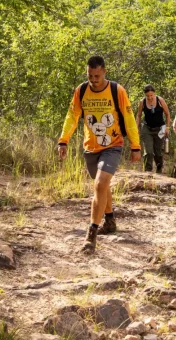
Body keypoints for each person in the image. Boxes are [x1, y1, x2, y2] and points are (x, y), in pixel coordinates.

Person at [58, 55, 142, 253]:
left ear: (104, 71)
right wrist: (64, 140)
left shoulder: (116, 91)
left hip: (113, 144)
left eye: (96, 75)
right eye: (90, 75)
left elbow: (129, 118)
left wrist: (136, 145)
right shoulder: (81, 91)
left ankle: (91, 234)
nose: (93, 80)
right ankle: (110, 220)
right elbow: (72, 116)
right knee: (102, 187)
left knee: (100, 183)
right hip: (90, 146)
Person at [135, 85, 171, 173]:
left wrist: (167, 127)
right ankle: (147, 171)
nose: (150, 97)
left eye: (151, 95)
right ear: (145, 95)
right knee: (149, 152)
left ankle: (159, 168)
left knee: (158, 152)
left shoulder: (160, 100)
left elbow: (167, 114)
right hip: (147, 128)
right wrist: (136, 128)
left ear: (154, 94)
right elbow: (139, 115)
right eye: (148, 96)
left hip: (159, 129)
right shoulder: (142, 102)